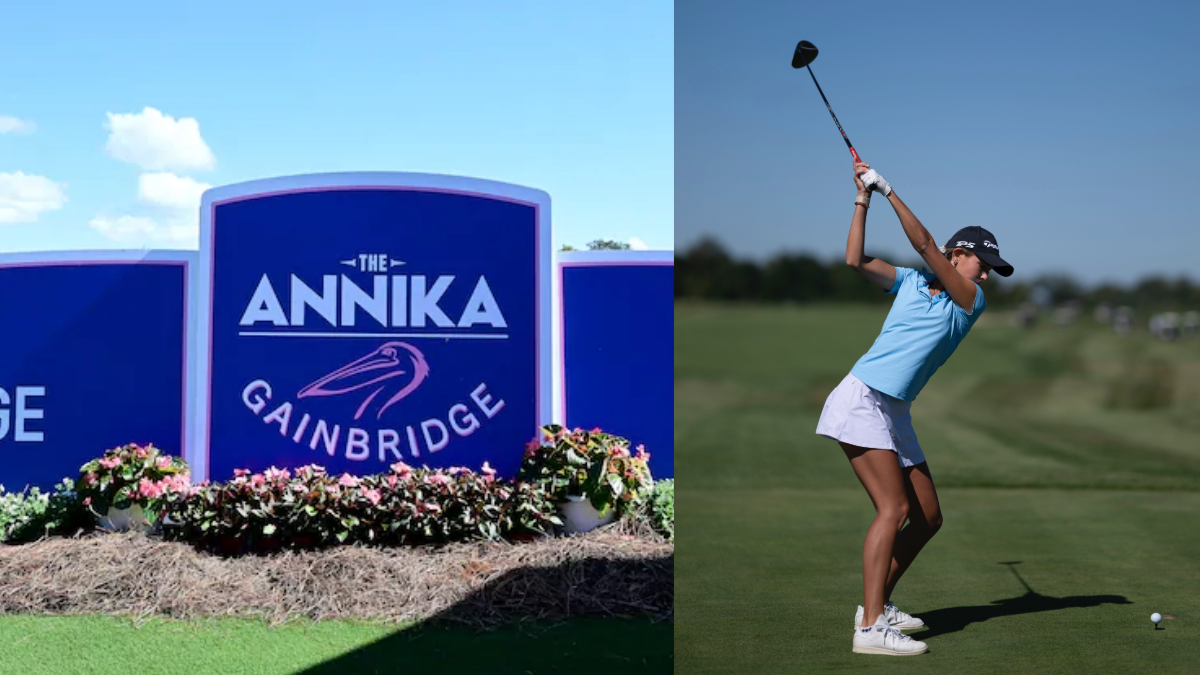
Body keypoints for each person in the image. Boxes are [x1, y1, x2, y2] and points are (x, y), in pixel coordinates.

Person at [815, 161, 1014, 656]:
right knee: (894, 508)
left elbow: (925, 244)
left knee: (927, 517)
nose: (986, 273)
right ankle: (870, 629)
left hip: (895, 410)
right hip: (863, 398)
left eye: (990, 269)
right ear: (958, 253)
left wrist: (887, 188)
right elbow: (855, 260)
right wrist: (865, 198)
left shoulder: (970, 299)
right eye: (982, 262)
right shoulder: (909, 281)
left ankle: (875, 605)